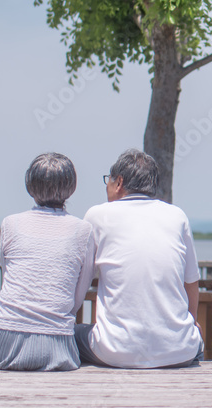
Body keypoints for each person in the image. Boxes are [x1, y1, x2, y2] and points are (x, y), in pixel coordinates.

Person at [0, 153, 95, 371]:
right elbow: (77, 296)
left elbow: (7, 275)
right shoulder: (83, 230)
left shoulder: (10, 223)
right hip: (54, 345)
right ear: (71, 186)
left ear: (30, 185)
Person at [74, 149, 203, 368]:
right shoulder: (176, 215)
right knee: (194, 338)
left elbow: (80, 280)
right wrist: (192, 321)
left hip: (115, 351)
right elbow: (191, 282)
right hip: (180, 351)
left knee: (74, 333)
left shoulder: (97, 215)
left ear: (119, 182)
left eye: (108, 180)